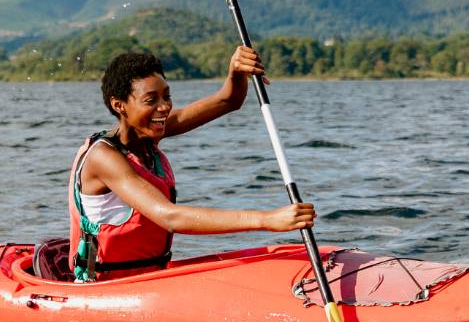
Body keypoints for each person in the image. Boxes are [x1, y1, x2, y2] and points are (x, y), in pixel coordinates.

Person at [66, 48, 315, 282]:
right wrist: (266, 219)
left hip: (150, 277)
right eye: (151, 100)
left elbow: (228, 100)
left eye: (167, 96)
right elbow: (170, 217)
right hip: (102, 285)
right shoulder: (104, 157)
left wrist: (236, 71)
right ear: (119, 105)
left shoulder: (150, 131)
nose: (163, 107)